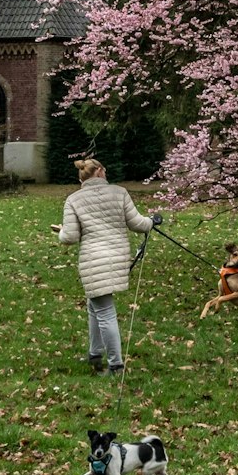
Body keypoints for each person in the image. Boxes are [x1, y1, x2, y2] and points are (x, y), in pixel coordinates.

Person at [53, 158, 156, 375]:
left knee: (104, 311)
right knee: (95, 306)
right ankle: (94, 354)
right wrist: (152, 221)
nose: (107, 173)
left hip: (93, 260)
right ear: (99, 172)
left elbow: (69, 237)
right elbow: (138, 224)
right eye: (105, 170)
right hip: (117, 257)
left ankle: (116, 365)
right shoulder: (120, 193)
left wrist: (60, 231)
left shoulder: (73, 199)